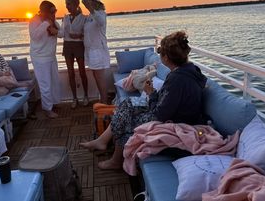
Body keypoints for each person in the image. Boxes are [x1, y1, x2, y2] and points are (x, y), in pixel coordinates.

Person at [80, 31, 207, 169]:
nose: (159, 56)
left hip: (176, 123)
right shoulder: (189, 70)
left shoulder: (177, 79)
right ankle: (102, 141)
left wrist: (151, 95)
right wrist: (152, 93)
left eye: (160, 53)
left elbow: (161, 114)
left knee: (127, 121)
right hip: (174, 115)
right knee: (127, 104)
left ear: (166, 57)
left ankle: (116, 160)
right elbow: (170, 101)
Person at [29, 0, 61, 119]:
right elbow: (35, 36)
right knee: (45, 84)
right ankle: (47, 109)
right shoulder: (34, 21)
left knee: (54, 81)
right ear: (44, 11)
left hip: (51, 56)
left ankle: (53, 103)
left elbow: (61, 33)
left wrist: (55, 29)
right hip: (40, 58)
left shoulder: (53, 21)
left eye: (55, 11)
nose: (54, 14)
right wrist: (46, 23)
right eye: (52, 12)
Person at [59, 0, 89, 109]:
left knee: (82, 72)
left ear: (76, 4)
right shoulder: (65, 18)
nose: (67, 6)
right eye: (66, 4)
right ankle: (74, 98)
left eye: (69, 4)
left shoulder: (84, 18)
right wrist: (52, 27)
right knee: (70, 73)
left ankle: (86, 96)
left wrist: (79, 36)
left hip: (79, 46)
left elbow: (87, 34)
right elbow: (61, 33)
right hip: (67, 46)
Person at [81, 0, 110, 104]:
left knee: (100, 78)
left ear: (93, 1)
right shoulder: (89, 16)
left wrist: (90, 8)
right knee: (96, 78)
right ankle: (102, 101)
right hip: (90, 51)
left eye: (88, 0)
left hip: (98, 52)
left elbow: (101, 22)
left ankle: (104, 104)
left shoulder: (100, 14)